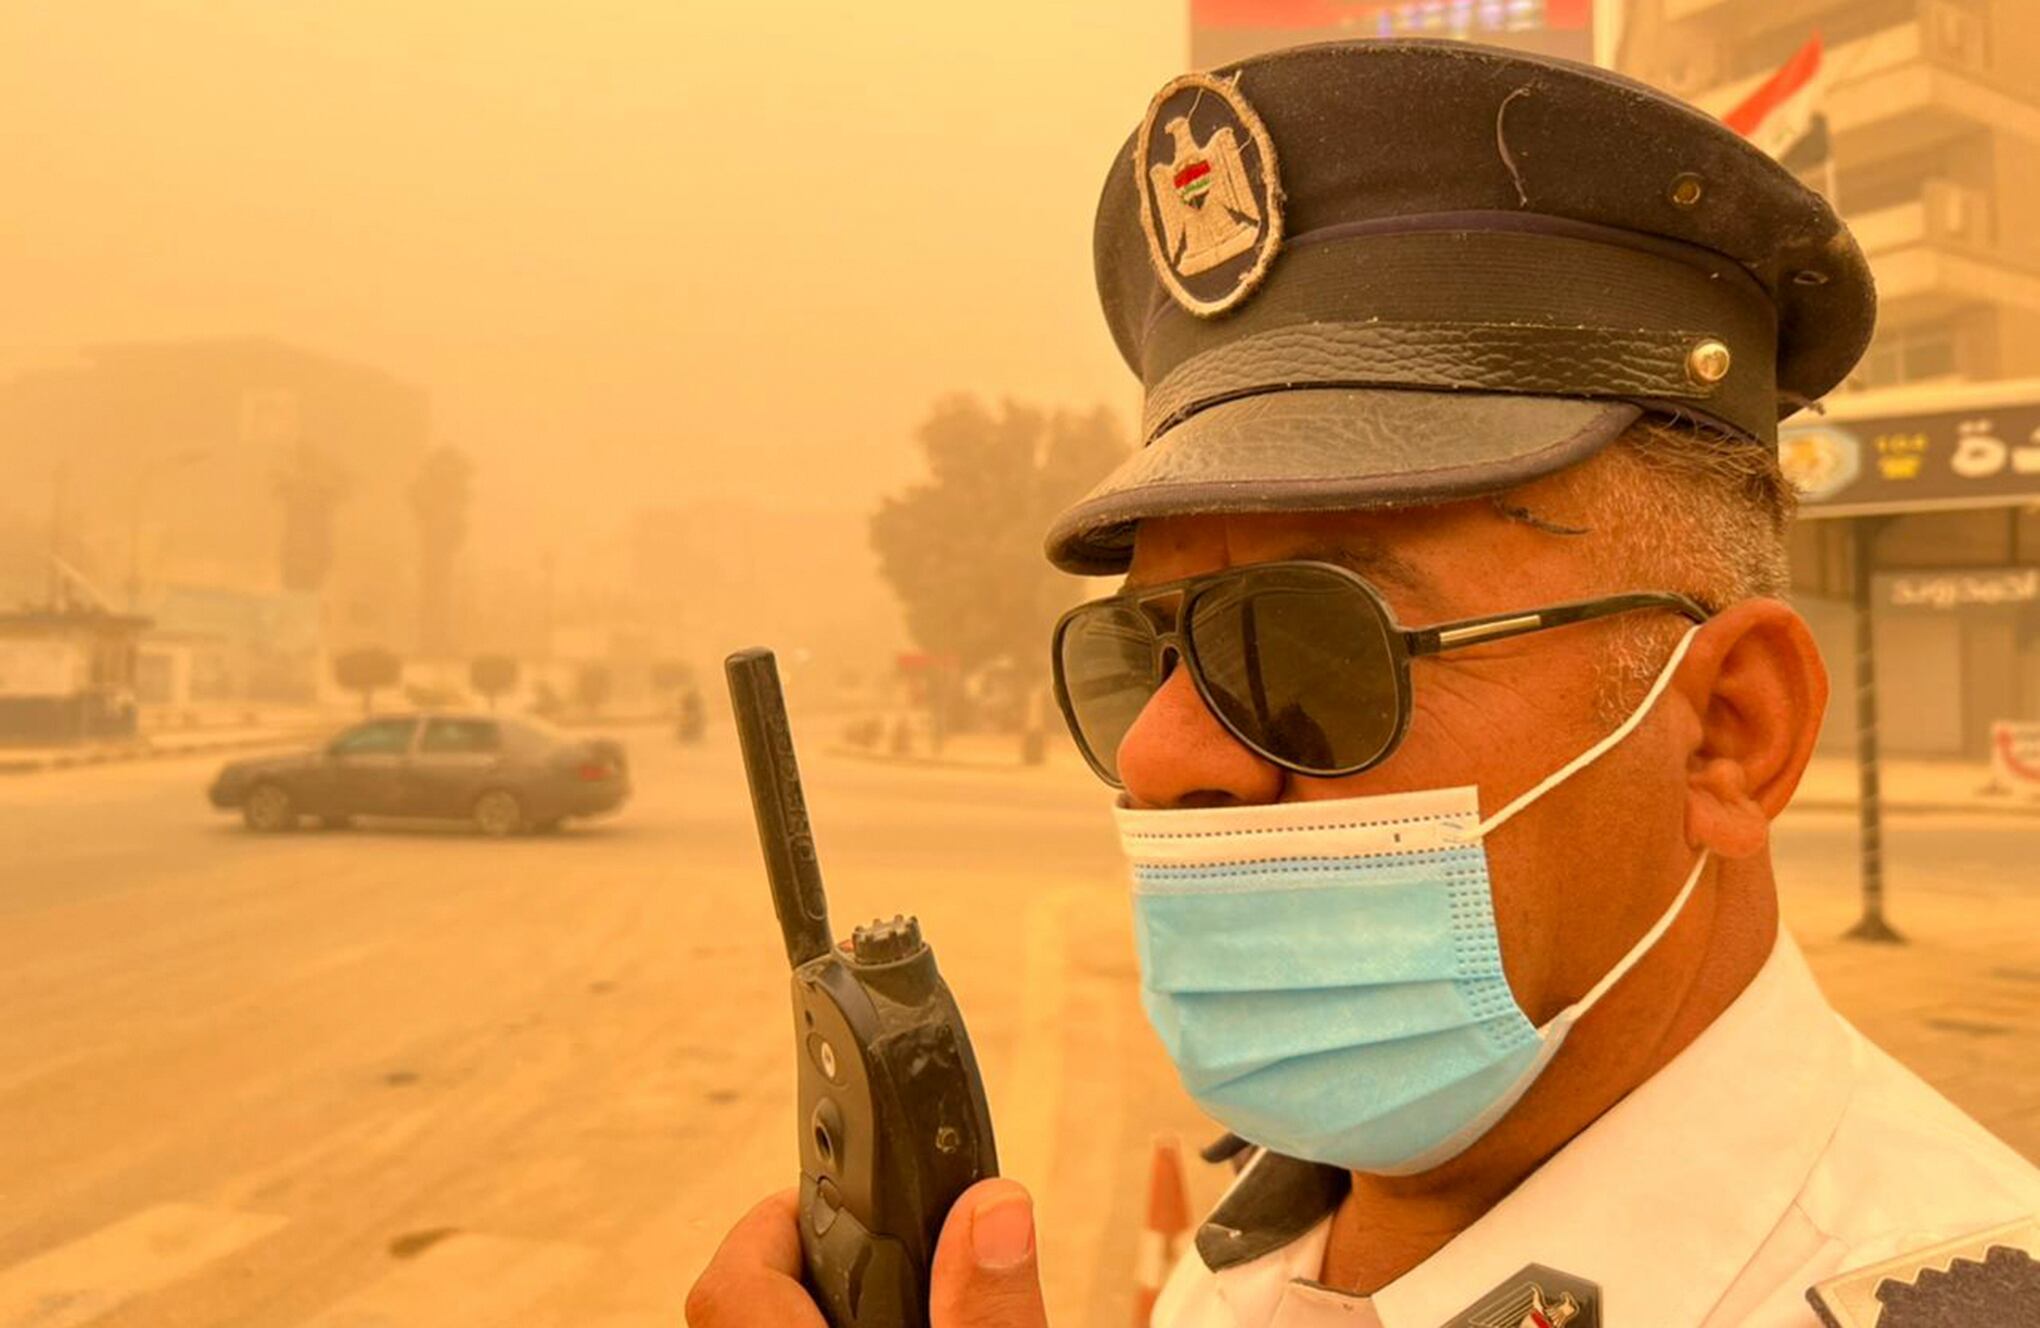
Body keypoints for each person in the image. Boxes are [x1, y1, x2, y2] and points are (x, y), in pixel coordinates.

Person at [688, 39, 2040, 1328]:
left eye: (1313, 645)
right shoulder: (1264, 1244)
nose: (1161, 756)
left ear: (1729, 733)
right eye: (1147, 652)